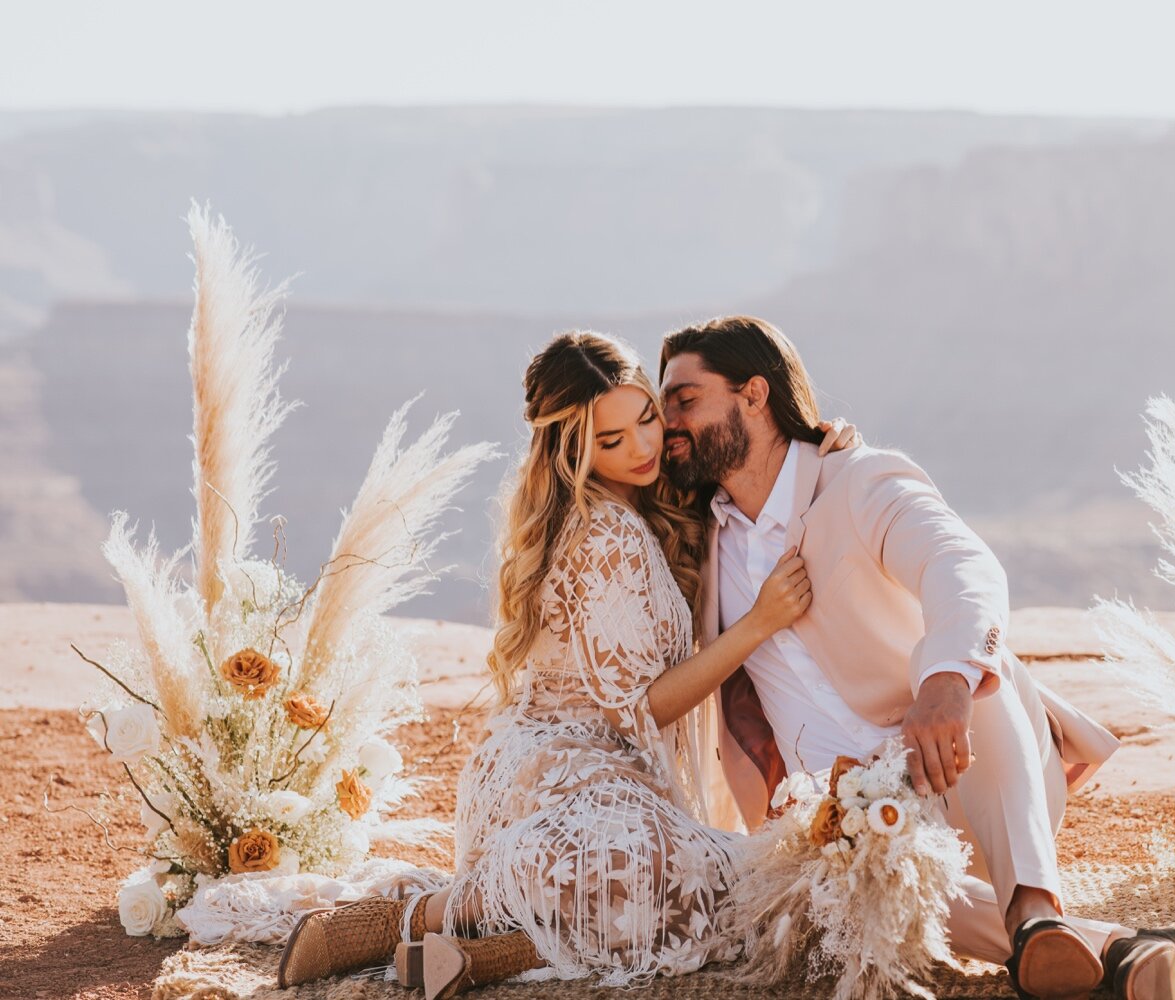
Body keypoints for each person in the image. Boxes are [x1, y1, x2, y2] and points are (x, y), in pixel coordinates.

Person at [278, 331, 855, 999]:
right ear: (573, 450)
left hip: (560, 781)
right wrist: (758, 626)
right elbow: (642, 708)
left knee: (717, 892)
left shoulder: (649, 494)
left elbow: (748, 467)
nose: (641, 447)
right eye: (610, 442)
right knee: (729, 886)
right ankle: (401, 919)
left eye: (646, 418)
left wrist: (814, 444)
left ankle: (488, 955)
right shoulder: (604, 534)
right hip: (566, 784)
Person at [658, 315, 1175, 1000]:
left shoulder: (857, 481)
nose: (669, 421)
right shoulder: (694, 536)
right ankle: (1110, 953)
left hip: (964, 779)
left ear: (753, 395)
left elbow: (960, 563)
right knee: (844, 889)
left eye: (685, 399)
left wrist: (945, 683)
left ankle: (1037, 905)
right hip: (847, 832)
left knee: (983, 673)